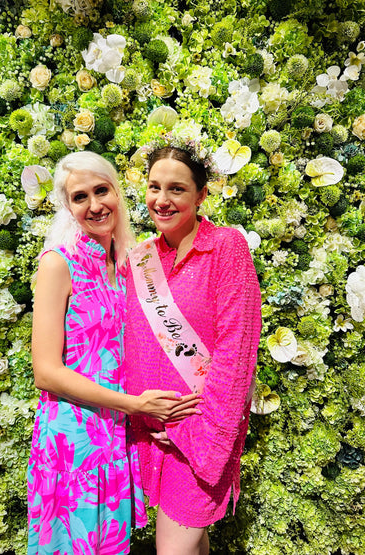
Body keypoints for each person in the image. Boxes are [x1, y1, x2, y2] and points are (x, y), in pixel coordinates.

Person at [27, 151, 200, 555]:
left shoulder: (127, 264)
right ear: (68, 207)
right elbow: (46, 372)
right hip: (73, 438)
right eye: (79, 197)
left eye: (101, 191)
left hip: (117, 435)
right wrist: (135, 404)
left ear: (117, 193)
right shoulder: (58, 264)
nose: (94, 205)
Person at [124, 142, 262, 555]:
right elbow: (132, 345)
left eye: (177, 189)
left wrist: (195, 434)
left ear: (201, 194)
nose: (161, 200)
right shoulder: (141, 259)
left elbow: (237, 352)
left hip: (199, 434)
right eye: (154, 187)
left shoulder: (226, 247)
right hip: (154, 433)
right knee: (191, 544)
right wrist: (145, 417)